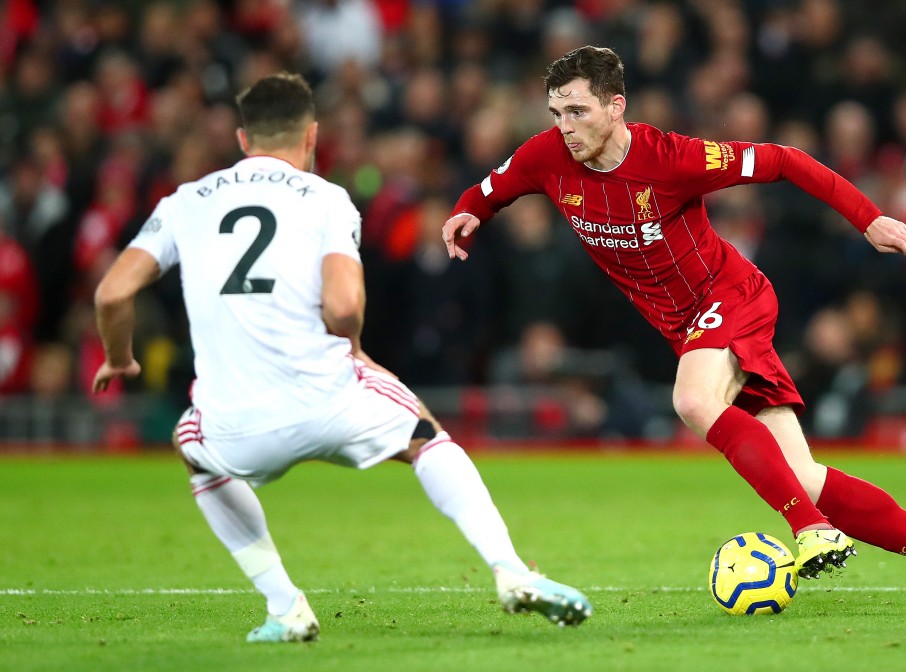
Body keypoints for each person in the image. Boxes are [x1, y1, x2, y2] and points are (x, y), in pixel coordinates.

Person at [442, 46, 906, 612]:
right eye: (556, 113)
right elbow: (491, 190)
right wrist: (466, 213)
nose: (565, 127)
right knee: (799, 474)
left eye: (577, 111)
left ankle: (811, 530)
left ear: (615, 106)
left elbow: (784, 160)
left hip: (732, 297)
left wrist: (867, 218)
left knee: (693, 399)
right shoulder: (546, 156)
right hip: (689, 328)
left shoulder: (674, 159)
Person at [91, 72, 591, 643]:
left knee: (193, 445)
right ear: (311, 137)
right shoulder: (326, 199)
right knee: (426, 437)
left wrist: (119, 357)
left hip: (237, 424)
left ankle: (285, 607)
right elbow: (345, 303)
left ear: (241, 138)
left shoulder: (185, 203)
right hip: (329, 398)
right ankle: (510, 570)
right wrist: (353, 350)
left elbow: (111, 292)